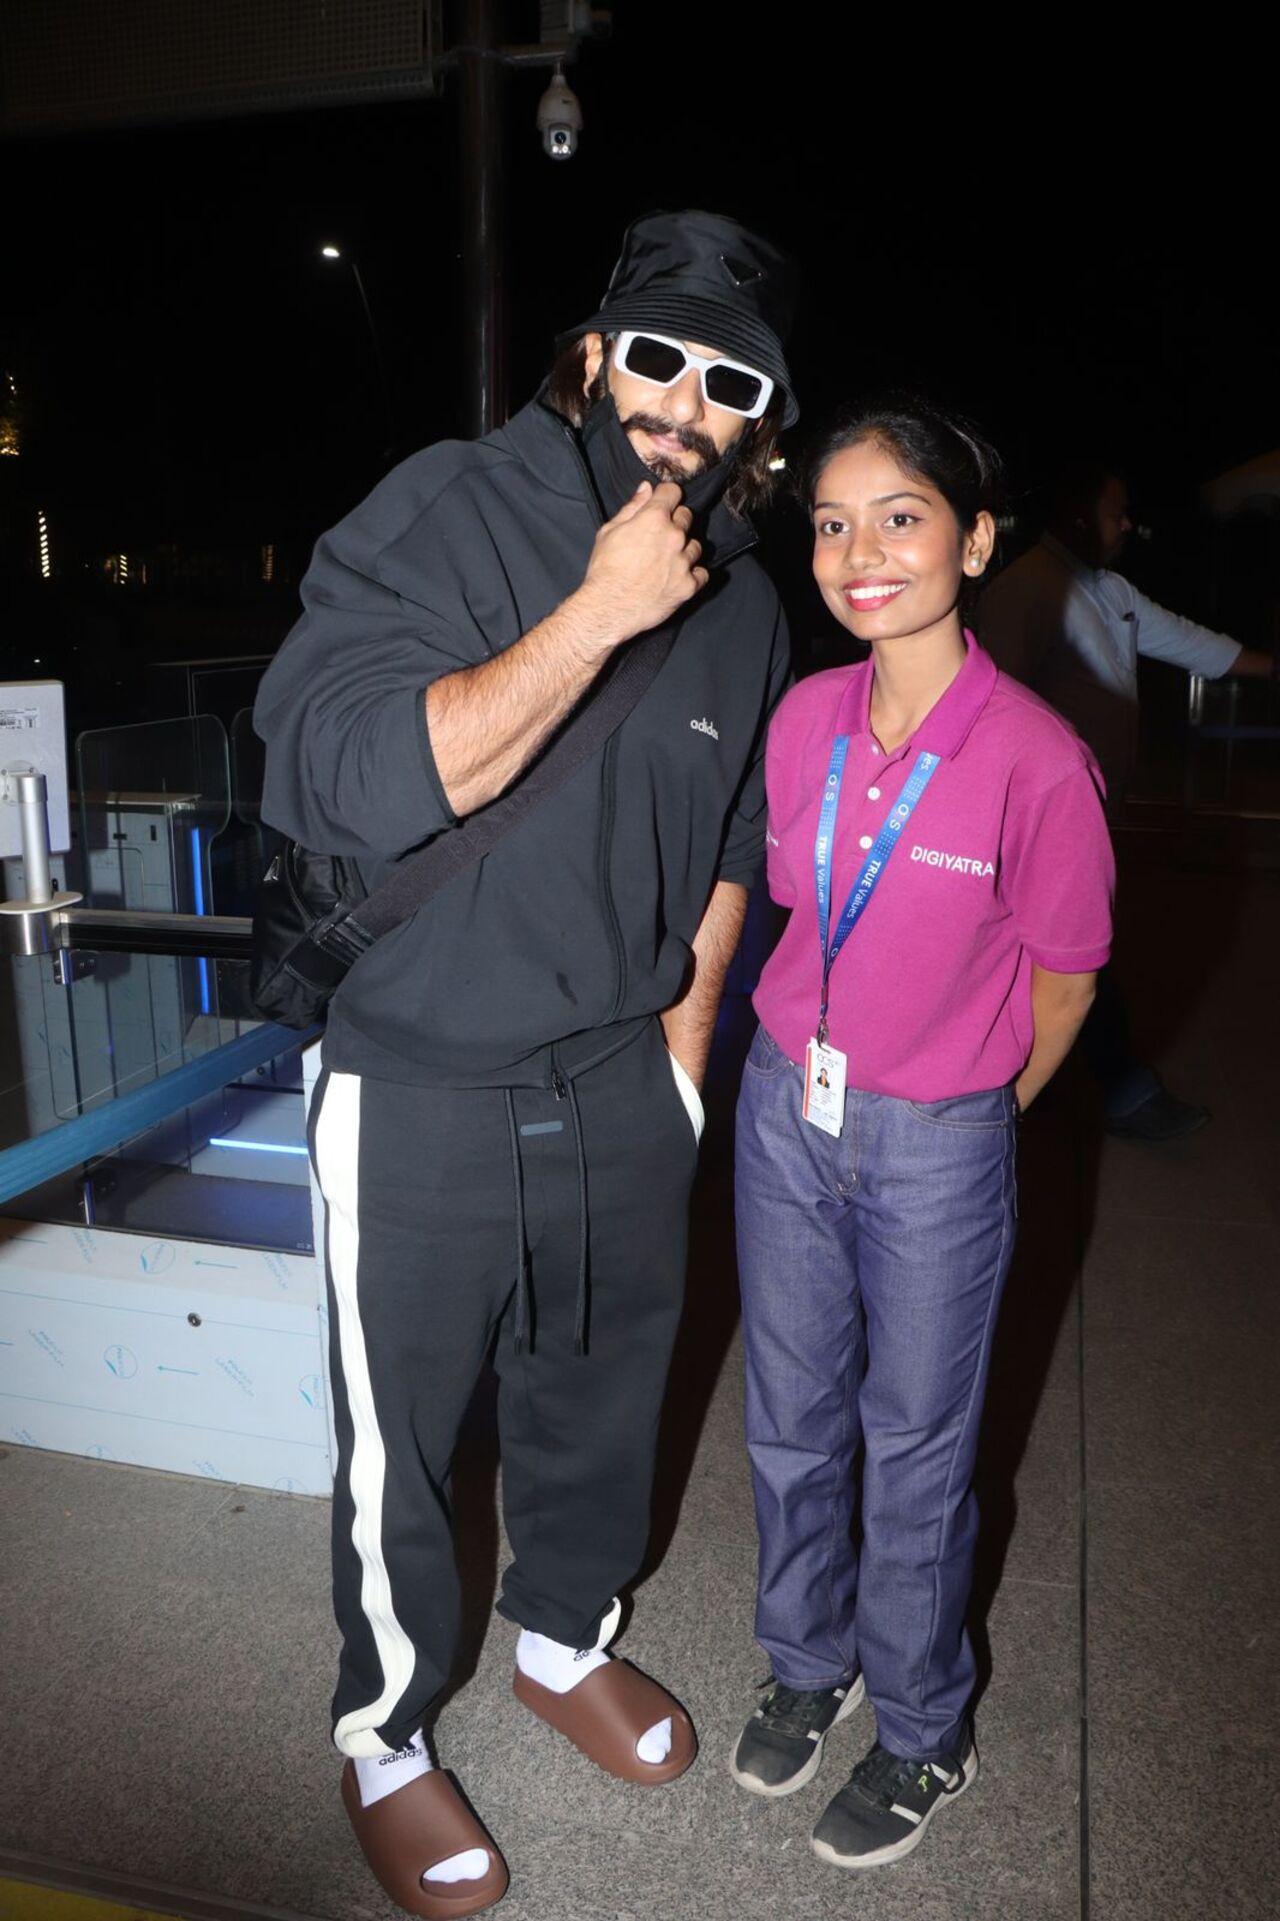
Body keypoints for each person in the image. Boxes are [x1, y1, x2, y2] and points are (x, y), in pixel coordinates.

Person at [254, 208, 796, 1920]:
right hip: (417, 1070)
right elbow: (345, 774)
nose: (685, 401)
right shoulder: (449, 507)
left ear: (757, 421)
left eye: (732, 380)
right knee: (399, 1442)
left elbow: (734, 836)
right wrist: (594, 610)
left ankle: (567, 1641)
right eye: (658, 355)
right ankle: (388, 1737)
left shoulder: (749, 603)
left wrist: (687, 1056)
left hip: (620, 1079)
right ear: (592, 357)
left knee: (598, 1401)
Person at [729, 399, 1113, 1871]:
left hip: (942, 1134)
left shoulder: (1035, 758)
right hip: (787, 1107)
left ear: (976, 538)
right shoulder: (805, 719)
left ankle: (922, 1724)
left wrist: (968, 1105)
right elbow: (796, 905)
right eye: (831, 521)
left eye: (899, 515)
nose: (859, 551)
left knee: (915, 1444)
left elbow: (1068, 980)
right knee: (787, 1415)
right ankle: (808, 1663)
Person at [979, 461, 1273, 1138]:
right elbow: (994, 703)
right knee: (1074, 960)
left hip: (1093, 821)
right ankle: (1115, 1092)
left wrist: (1269, 665)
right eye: (1118, 513)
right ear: (1078, 516)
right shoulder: (1026, 590)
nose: (1128, 525)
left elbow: (1198, 646)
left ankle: (1040, 1093)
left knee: (1063, 960)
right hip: (1039, 825)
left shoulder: (1110, 590)